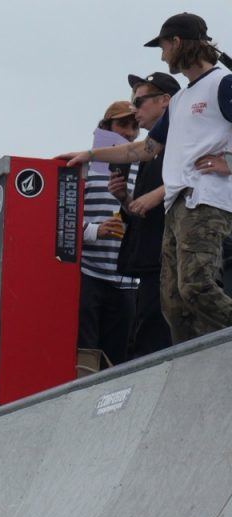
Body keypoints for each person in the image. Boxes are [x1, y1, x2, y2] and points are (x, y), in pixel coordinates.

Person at [62, 13, 232, 344]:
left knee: (196, 286)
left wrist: (229, 160)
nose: (162, 55)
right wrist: (91, 155)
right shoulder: (181, 99)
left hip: (207, 201)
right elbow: (143, 149)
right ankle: (201, 368)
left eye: (164, 46)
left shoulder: (222, 83)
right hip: (175, 208)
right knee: (173, 302)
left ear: (177, 43)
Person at [112, 73, 181, 358]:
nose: (134, 110)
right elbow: (140, 212)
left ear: (165, 101)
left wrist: (158, 193)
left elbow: (199, 176)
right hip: (149, 261)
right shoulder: (149, 153)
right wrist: (125, 199)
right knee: (145, 339)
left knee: (163, 338)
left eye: (138, 102)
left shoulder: (184, 140)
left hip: (176, 258)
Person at [77, 101, 141, 366]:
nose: (128, 132)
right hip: (88, 275)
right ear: (106, 127)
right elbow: (63, 220)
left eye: (134, 126)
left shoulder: (144, 166)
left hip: (127, 280)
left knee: (118, 361)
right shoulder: (85, 165)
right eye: (122, 124)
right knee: (84, 355)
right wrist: (95, 230)